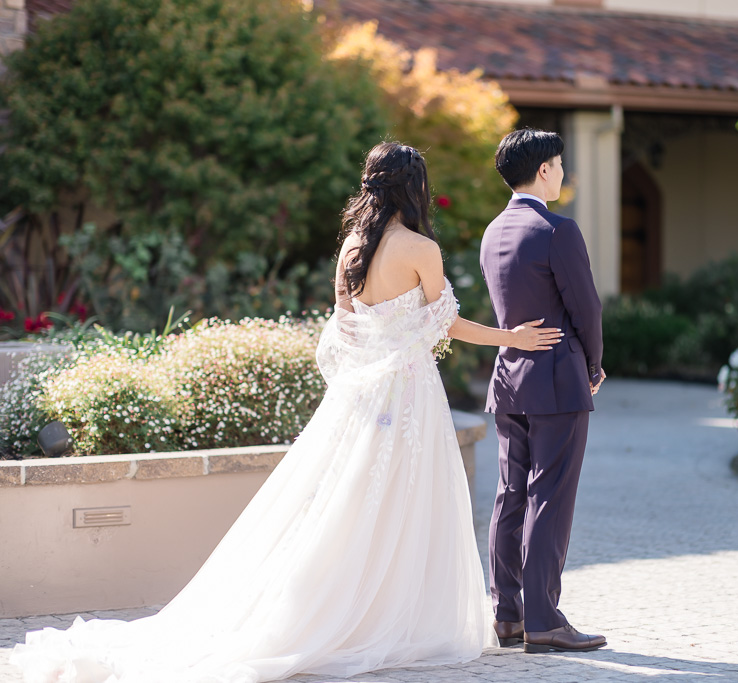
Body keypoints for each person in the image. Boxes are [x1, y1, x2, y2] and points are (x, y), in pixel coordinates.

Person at [9, 142, 563, 682]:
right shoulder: (421, 249)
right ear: (413, 189)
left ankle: (340, 609)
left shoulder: (352, 247)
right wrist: (510, 336)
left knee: (342, 500)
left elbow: (344, 326)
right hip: (409, 394)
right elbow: (446, 324)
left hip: (360, 396)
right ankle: (386, 616)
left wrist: (375, 363)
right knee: (403, 499)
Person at [480, 128, 607, 654]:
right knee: (549, 495)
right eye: (558, 163)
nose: (562, 173)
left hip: (508, 380)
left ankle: (506, 614)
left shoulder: (492, 231)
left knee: (511, 494)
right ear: (544, 170)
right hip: (557, 379)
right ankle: (544, 619)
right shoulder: (558, 229)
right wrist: (594, 364)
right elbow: (586, 306)